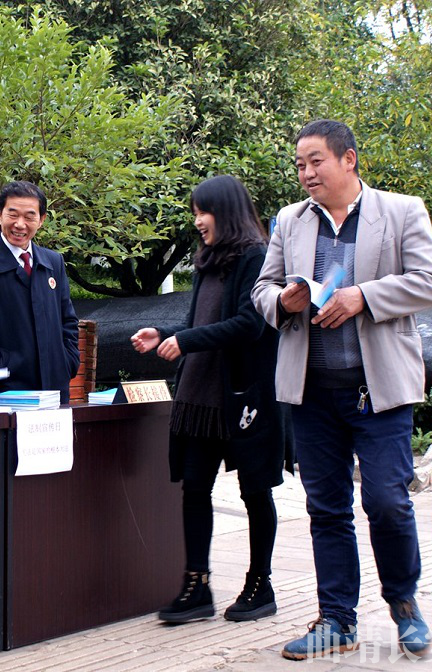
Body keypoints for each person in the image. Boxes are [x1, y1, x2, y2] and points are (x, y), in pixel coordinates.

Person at [251, 119, 432, 660]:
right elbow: (262, 290)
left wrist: (364, 296)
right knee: (327, 508)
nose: (306, 173)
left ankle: (404, 603)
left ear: (348, 160)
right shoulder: (290, 221)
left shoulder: (401, 211)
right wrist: (282, 302)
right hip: (312, 391)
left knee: (386, 501)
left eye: (316, 161)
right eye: (299, 165)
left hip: (377, 390)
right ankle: (337, 619)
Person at [130, 175, 289, 625]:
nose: (198, 220)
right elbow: (198, 322)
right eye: (196, 212)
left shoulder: (256, 256)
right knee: (195, 488)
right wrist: (165, 333)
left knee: (255, 491)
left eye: (204, 211)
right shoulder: (207, 260)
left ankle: (260, 585)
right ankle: (196, 586)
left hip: (242, 396)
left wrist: (185, 340)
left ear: (227, 211)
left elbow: (250, 324)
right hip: (200, 396)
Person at [0, 181, 80, 403]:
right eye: (13, 214)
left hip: (54, 387)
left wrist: (67, 361)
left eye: (29, 216)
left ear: (42, 219)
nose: (20, 224)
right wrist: (1, 365)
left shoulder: (53, 262)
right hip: (5, 391)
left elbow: (68, 320)